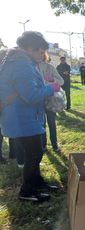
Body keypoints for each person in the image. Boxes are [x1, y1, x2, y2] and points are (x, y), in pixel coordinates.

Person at [0, 31, 61, 202]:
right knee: (34, 153)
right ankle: (26, 191)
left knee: (37, 150)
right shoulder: (21, 64)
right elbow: (31, 95)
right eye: (40, 50)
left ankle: (37, 182)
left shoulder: (19, 61)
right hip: (22, 119)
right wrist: (52, 88)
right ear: (29, 49)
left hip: (23, 118)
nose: (43, 54)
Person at [38, 52, 64, 152]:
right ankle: (43, 145)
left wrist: (52, 79)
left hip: (50, 99)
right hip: (38, 98)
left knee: (51, 123)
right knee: (42, 124)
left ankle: (54, 145)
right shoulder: (32, 67)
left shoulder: (50, 67)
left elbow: (61, 81)